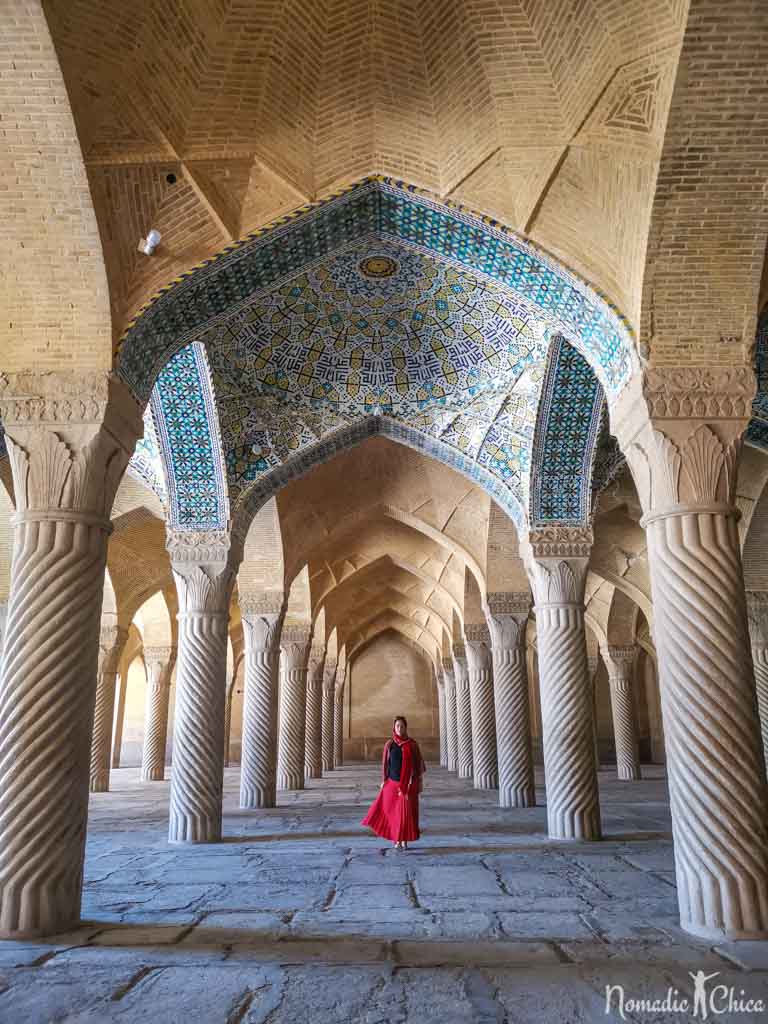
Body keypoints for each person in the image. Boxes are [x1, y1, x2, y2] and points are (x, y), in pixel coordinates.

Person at [361, 715, 425, 850]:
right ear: (394, 728)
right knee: (393, 814)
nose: (399, 728)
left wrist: (419, 782)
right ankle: (396, 839)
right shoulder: (389, 744)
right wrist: (384, 780)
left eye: (402, 726)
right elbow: (386, 764)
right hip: (392, 784)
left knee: (406, 815)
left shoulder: (412, 745)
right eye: (397, 726)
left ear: (406, 728)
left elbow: (418, 765)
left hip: (407, 786)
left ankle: (404, 840)